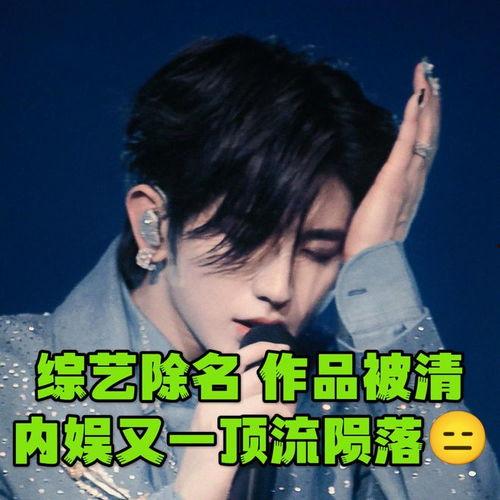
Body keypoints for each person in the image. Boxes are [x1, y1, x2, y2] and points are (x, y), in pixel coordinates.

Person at [0, 35, 498, 499]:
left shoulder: (348, 396)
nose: (279, 288)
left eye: (318, 252)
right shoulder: (15, 379)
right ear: (153, 226)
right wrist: (200, 482)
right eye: (246, 237)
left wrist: (377, 264)